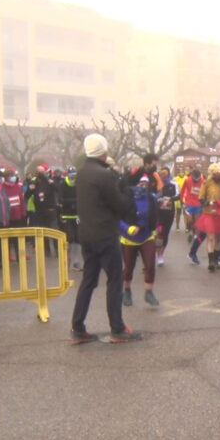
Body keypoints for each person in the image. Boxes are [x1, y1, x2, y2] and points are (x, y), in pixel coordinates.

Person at [70, 133, 141, 343]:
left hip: (87, 234)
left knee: (88, 281)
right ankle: (117, 328)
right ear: (104, 150)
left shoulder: (82, 172)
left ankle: (77, 328)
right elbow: (118, 204)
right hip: (105, 234)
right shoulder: (104, 174)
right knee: (115, 280)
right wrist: (127, 194)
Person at [120, 175, 160, 307]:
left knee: (150, 265)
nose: (143, 187)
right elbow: (117, 219)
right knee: (129, 267)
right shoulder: (126, 199)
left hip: (146, 236)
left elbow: (156, 216)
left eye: (146, 184)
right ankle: (127, 291)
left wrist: (157, 232)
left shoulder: (151, 198)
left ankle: (149, 292)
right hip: (129, 238)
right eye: (141, 184)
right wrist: (128, 228)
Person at [196, 163, 220, 272]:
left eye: (219, 173)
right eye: (215, 173)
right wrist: (208, 202)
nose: (217, 175)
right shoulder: (207, 183)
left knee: (218, 238)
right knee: (210, 237)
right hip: (209, 214)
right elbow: (201, 197)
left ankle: (216, 260)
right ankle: (211, 261)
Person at [26, 164, 58, 256]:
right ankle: (46, 251)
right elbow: (27, 195)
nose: (41, 173)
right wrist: (30, 189)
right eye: (39, 172)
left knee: (54, 230)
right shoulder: (34, 181)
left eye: (42, 171)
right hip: (40, 210)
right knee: (43, 231)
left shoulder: (50, 180)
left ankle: (57, 250)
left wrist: (51, 182)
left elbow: (57, 189)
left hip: (51, 209)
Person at [58, 167, 82, 272]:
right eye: (72, 176)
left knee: (78, 238)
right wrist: (74, 201)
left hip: (77, 216)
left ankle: (76, 262)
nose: (74, 178)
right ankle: (67, 257)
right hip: (66, 216)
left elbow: (82, 198)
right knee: (70, 237)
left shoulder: (79, 185)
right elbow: (61, 200)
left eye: (75, 176)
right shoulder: (63, 185)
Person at [156, 167, 179, 267]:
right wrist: (158, 199)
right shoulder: (157, 184)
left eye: (165, 173)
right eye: (162, 173)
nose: (163, 175)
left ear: (168, 174)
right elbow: (152, 194)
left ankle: (162, 255)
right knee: (159, 233)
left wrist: (170, 199)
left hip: (169, 213)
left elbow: (178, 195)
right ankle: (158, 254)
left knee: (165, 234)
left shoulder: (173, 184)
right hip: (158, 213)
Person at [2, 169, 26, 261]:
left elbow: (22, 201)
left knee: (18, 239)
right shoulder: (2, 188)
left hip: (18, 217)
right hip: (7, 218)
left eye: (14, 175)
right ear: (6, 177)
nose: (13, 177)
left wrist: (23, 213)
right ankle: (7, 257)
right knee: (7, 239)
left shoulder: (17, 187)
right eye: (11, 175)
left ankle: (20, 257)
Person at [183, 168, 205, 264]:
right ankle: (191, 230)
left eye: (197, 178)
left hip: (198, 204)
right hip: (189, 203)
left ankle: (195, 236)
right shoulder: (187, 180)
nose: (196, 179)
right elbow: (183, 190)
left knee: (197, 222)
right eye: (194, 178)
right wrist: (181, 199)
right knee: (190, 221)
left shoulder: (203, 181)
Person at [173, 166, 187, 230]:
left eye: (182, 171)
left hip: (185, 197)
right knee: (178, 212)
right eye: (180, 171)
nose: (181, 172)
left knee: (185, 212)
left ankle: (186, 227)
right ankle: (177, 226)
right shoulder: (175, 179)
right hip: (178, 197)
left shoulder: (186, 178)